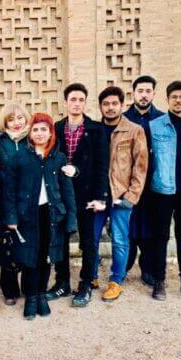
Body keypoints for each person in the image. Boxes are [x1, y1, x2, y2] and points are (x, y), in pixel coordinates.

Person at [4, 113, 77, 320]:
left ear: (51, 132)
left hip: (51, 215)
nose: (39, 133)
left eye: (43, 129)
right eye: (35, 129)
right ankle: (31, 297)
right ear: (30, 133)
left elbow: (67, 191)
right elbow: (9, 191)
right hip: (28, 216)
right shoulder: (19, 157)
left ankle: (41, 295)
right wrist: (11, 217)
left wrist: (71, 218)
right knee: (30, 258)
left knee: (46, 256)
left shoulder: (58, 158)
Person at [49, 83, 110, 306]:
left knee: (88, 241)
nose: (76, 104)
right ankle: (62, 282)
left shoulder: (96, 129)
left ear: (85, 103)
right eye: (73, 99)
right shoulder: (55, 128)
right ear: (65, 102)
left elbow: (102, 166)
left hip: (86, 194)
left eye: (81, 100)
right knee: (61, 239)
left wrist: (101, 197)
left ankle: (86, 284)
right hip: (61, 194)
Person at [91, 86, 148, 303]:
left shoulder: (134, 130)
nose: (110, 107)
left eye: (114, 103)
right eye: (106, 104)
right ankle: (91, 276)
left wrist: (131, 196)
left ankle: (116, 280)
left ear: (122, 105)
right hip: (97, 195)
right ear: (100, 106)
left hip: (120, 195)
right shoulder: (94, 129)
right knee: (91, 238)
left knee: (120, 240)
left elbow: (140, 166)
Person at [148, 81, 181, 302]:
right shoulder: (155, 125)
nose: (178, 100)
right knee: (160, 236)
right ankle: (159, 281)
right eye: (174, 97)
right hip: (163, 189)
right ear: (167, 100)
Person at [124, 75, 164, 286]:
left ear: (153, 94)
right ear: (133, 93)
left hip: (152, 183)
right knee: (128, 226)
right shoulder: (123, 119)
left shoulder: (161, 119)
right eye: (140, 91)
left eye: (148, 91)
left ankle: (147, 269)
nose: (144, 95)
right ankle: (123, 267)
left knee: (150, 227)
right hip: (128, 183)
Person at [0, 102, 31, 306]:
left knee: (29, 243)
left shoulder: (31, 139)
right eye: (11, 119)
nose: (17, 123)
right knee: (9, 244)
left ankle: (29, 286)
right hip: (5, 199)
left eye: (20, 118)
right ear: (5, 122)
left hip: (29, 200)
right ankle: (9, 289)